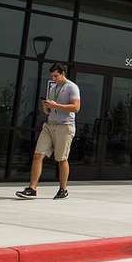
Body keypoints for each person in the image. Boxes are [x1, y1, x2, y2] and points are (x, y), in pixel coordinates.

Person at [16, 64, 80, 199]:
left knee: (61, 159)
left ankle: (63, 189)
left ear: (63, 73)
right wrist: (45, 107)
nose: (53, 78)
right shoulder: (52, 87)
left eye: (56, 76)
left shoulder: (72, 87)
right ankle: (32, 189)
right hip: (49, 125)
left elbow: (76, 107)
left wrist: (56, 105)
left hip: (65, 126)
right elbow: (49, 111)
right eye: (52, 76)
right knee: (37, 155)